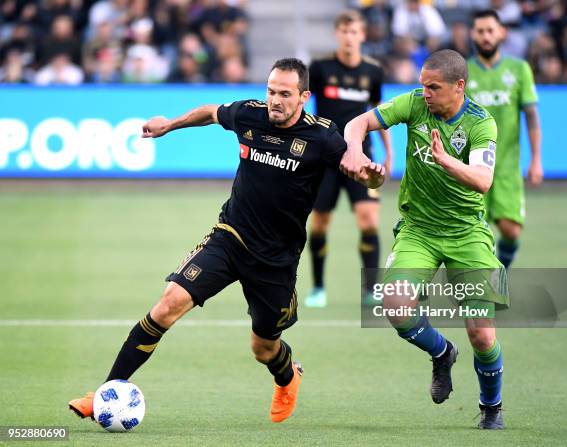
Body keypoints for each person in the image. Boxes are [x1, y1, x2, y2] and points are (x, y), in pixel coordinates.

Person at [68, 58, 385, 424]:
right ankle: (104, 392)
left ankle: (287, 377)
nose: (275, 100)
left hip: (276, 260)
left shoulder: (322, 137)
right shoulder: (250, 115)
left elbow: (362, 173)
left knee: (263, 347)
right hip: (230, 236)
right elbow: (209, 112)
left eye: (284, 94)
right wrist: (170, 125)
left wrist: (372, 177)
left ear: (304, 97)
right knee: (168, 303)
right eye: (270, 91)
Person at [342, 49, 508, 429]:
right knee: (395, 304)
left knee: (482, 334)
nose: (425, 93)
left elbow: (483, 180)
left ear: (459, 87)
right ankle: (442, 353)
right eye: (422, 85)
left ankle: (491, 407)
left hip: (467, 232)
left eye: (433, 87)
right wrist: (354, 149)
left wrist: (447, 160)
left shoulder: (482, 123)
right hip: (419, 230)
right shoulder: (415, 104)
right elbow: (358, 123)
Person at [305, 10, 392, 308]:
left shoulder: (373, 72)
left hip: (363, 160)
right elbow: (304, 107)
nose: (349, 37)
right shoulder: (320, 68)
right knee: (319, 225)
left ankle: (371, 289)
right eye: (343, 31)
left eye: (354, 31)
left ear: (362, 35)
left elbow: (381, 115)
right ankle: (317, 287)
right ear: (337, 34)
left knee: (368, 221)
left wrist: (389, 154)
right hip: (325, 161)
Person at [467, 9, 543, 268]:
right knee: (475, 235)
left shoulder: (519, 69)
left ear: (502, 33)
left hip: (507, 167)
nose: (486, 36)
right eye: (480, 31)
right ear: (472, 34)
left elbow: (531, 116)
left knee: (511, 230)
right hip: (471, 168)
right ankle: (482, 286)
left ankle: (501, 272)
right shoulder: (463, 72)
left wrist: (536, 161)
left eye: (490, 30)